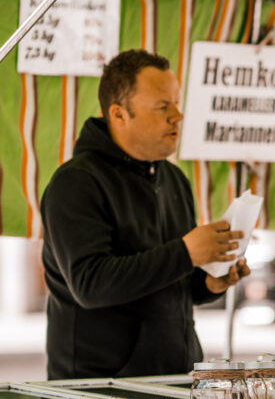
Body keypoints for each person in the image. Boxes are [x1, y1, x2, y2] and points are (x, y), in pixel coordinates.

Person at [41, 49, 249, 379]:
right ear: (119, 114)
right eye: (162, 107)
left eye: (177, 103)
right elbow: (90, 283)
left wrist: (210, 280)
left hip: (175, 386)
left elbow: (174, 281)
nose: (177, 116)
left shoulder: (173, 179)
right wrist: (185, 253)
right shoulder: (77, 183)